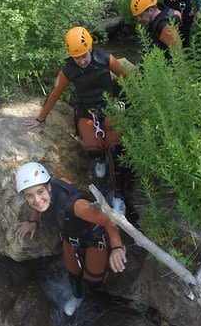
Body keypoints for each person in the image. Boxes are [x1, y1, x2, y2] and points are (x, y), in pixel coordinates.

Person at [25, 26, 129, 214]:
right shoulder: (68, 70)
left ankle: (119, 195)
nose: (81, 61)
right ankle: (99, 168)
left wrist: (128, 105)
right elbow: (56, 93)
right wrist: (41, 118)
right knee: (94, 150)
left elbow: (127, 79)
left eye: (84, 55)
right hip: (86, 112)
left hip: (111, 106)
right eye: (76, 57)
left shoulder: (107, 59)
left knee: (114, 148)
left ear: (90, 48)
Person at [14, 162, 127, 315]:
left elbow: (109, 220)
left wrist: (117, 247)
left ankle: (108, 258)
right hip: (71, 238)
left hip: (95, 238)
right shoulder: (41, 199)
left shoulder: (76, 206)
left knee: (93, 280)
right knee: (73, 274)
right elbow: (36, 206)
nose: (37, 199)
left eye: (40, 191)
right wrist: (33, 221)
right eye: (30, 196)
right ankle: (78, 297)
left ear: (49, 188)